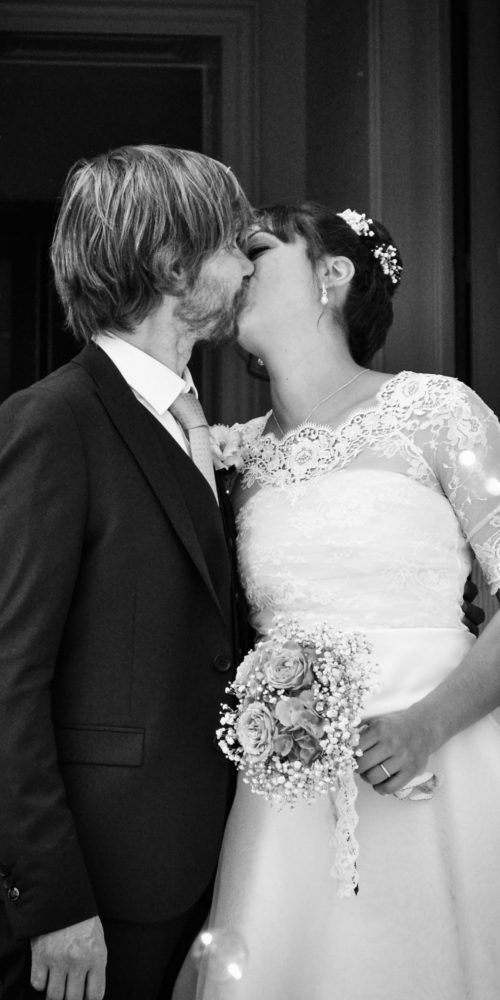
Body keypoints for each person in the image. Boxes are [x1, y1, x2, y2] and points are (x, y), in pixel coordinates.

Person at [187, 203, 500, 999]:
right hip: (286, 801)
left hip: (445, 765)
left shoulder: (437, 412)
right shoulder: (230, 454)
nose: (235, 264)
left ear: (332, 274)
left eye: (257, 247)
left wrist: (429, 725)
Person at [0, 144, 254, 1000]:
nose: (247, 259)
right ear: (171, 263)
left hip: (209, 865)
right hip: (95, 895)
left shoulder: (192, 418)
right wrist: (50, 899)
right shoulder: (53, 423)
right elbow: (8, 676)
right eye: (230, 243)